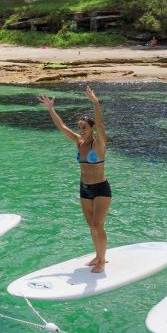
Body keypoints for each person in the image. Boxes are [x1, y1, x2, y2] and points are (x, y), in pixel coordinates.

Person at [39, 86, 110, 274]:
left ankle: (102, 261)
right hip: (84, 188)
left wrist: (95, 103)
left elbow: (101, 125)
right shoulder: (78, 142)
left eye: (84, 128)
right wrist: (50, 108)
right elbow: (62, 126)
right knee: (91, 227)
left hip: (101, 188)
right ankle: (97, 255)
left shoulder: (99, 143)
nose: (81, 131)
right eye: (80, 128)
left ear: (92, 128)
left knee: (97, 225)